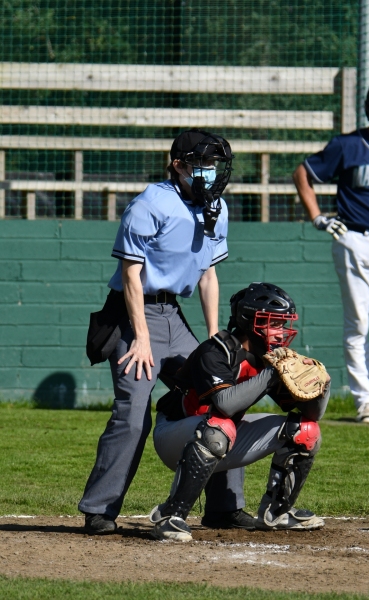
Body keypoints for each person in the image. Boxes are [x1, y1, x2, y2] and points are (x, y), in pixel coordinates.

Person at [78, 128, 240, 534]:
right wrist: (142, 338)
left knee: (221, 398)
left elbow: (208, 276)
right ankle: (99, 509)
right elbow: (131, 276)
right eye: (200, 164)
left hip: (173, 312)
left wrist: (214, 338)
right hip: (135, 315)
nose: (208, 172)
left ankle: (224, 507)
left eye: (214, 164)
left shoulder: (215, 205)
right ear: (178, 165)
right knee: (134, 414)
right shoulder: (150, 204)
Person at [149, 282, 330, 541]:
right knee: (220, 426)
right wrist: (271, 374)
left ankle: (275, 513)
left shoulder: (270, 359)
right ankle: (170, 516)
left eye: (283, 324)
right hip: (176, 434)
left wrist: (322, 387)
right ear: (249, 320)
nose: (281, 333)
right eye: (274, 323)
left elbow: (312, 415)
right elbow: (225, 404)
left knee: (305, 431)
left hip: (219, 434)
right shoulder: (215, 351)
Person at [293, 79, 369, 425]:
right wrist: (318, 218)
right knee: (359, 324)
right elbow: (302, 174)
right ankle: (364, 402)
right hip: (354, 239)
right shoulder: (348, 145)